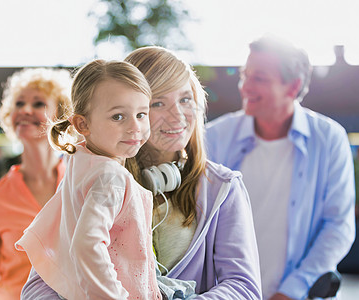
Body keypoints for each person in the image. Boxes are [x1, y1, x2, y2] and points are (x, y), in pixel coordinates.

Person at [20, 46, 262, 299]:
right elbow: (41, 283)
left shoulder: (222, 187)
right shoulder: (92, 177)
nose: (178, 115)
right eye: (158, 102)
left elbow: (243, 288)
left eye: (185, 99)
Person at [206, 35, 355, 300]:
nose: (245, 87)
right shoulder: (213, 137)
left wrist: (291, 292)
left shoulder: (329, 138)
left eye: (259, 78)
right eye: (245, 75)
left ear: (293, 86)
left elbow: (338, 226)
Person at [16, 59, 168, 299]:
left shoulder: (80, 157)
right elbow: (88, 246)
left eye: (141, 114)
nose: (135, 127)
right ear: (82, 124)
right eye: (118, 117)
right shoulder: (111, 177)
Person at [0, 67, 72, 299]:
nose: (25, 110)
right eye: (19, 103)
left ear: (61, 115)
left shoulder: (82, 186)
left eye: (38, 104)